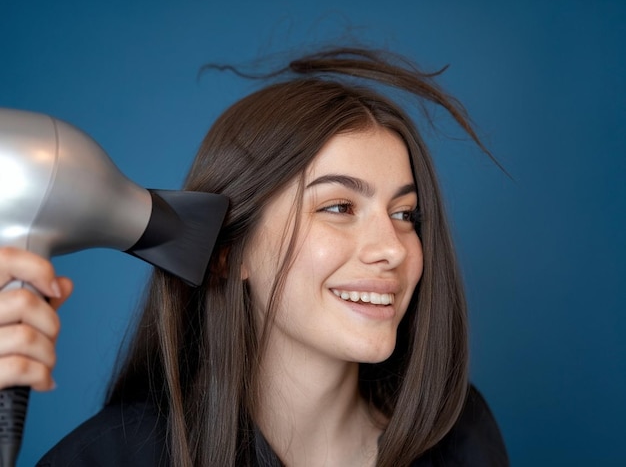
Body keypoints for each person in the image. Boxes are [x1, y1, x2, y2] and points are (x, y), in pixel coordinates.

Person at [0, 47, 508, 466]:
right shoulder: (111, 459)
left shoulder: (459, 440)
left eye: (405, 214)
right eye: (338, 206)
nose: (392, 248)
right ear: (226, 253)